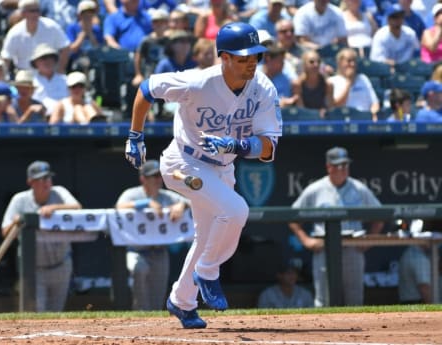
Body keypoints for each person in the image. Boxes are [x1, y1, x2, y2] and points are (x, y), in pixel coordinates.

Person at [124, 22, 282, 328]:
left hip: (223, 166)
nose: (251, 63)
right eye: (243, 57)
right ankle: (208, 272)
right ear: (224, 57)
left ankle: (182, 302)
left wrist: (238, 145)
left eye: (256, 56)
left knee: (210, 236)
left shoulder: (263, 88)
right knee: (236, 211)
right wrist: (135, 135)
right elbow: (147, 89)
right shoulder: (197, 82)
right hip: (184, 162)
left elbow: (268, 147)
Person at [288, 147, 384, 307]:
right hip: (325, 248)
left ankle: (357, 332)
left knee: (355, 301)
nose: (343, 169)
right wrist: (306, 240)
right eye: (339, 165)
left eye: (345, 165)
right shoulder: (315, 190)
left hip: (352, 249)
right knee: (323, 301)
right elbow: (292, 217)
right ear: (329, 167)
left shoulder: (359, 189)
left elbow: (380, 216)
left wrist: (369, 240)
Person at [1, 160, 82, 312]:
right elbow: (5, 232)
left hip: (61, 264)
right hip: (34, 270)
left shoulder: (59, 192)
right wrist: (16, 222)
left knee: (56, 314)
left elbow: (77, 207)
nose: (46, 182)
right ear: (30, 182)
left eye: (48, 178)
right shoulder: (20, 200)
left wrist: (54, 207)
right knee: (37, 313)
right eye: (41, 179)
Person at [115, 160, 189, 310]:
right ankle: (136, 316)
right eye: (153, 176)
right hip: (137, 250)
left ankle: (150, 325)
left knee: (157, 299)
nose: (158, 180)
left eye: (159, 176)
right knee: (139, 270)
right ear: (143, 179)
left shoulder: (167, 196)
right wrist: (145, 203)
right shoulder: (133, 194)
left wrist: (182, 205)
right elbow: (119, 206)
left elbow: (191, 202)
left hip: (159, 252)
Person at [0, 0, 70, 74]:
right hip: (24, 75)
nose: (36, 14)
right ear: (23, 13)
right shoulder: (15, 32)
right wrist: (5, 76)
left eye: (38, 10)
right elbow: (6, 58)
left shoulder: (51, 27)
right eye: (32, 11)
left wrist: (59, 70)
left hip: (48, 75)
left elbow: (65, 48)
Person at [328, 47, 380, 120]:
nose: (352, 64)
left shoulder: (363, 78)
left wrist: (373, 115)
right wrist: (349, 82)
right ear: (340, 62)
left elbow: (374, 103)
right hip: (343, 120)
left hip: (364, 120)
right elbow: (335, 106)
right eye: (349, 61)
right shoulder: (332, 81)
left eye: (354, 61)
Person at [65, 0, 105, 72]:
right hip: (75, 62)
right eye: (85, 14)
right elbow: (71, 49)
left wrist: (90, 34)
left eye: (91, 14)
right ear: (79, 15)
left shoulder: (96, 29)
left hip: (93, 63)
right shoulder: (72, 28)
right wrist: (83, 34)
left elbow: (100, 49)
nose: (88, 17)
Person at [292, 50, 334, 117]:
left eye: (318, 62)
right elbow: (301, 110)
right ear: (304, 65)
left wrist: (325, 112)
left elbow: (330, 108)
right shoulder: (297, 84)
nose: (316, 65)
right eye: (311, 62)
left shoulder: (328, 85)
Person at [30, 43, 69, 116]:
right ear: (35, 63)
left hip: (65, 119)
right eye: (43, 58)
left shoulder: (66, 81)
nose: (47, 61)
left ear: (55, 61)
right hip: (40, 119)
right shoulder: (31, 82)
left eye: (51, 58)